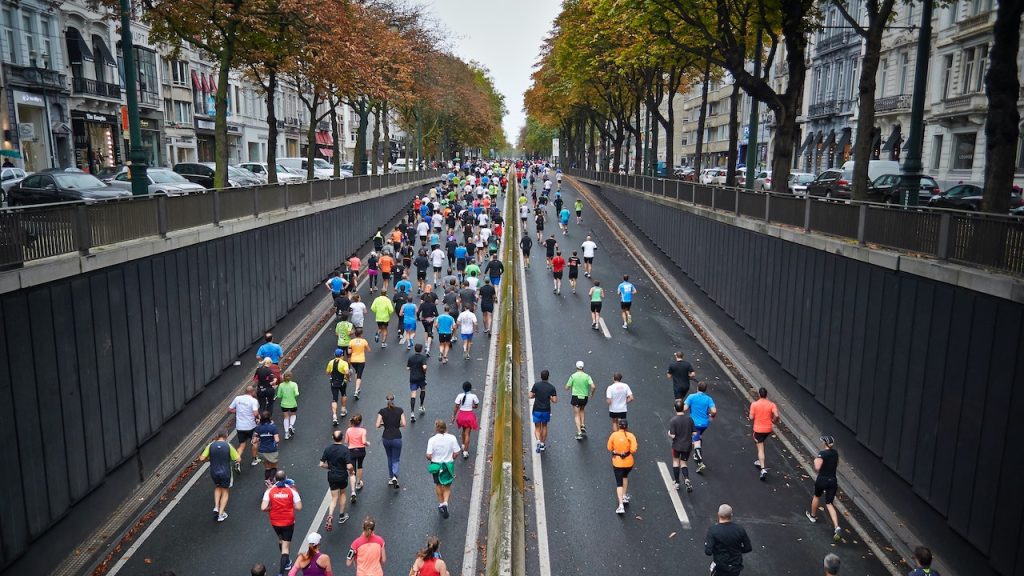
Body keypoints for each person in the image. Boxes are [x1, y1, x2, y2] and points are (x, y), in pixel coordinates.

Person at [262, 470, 303, 576]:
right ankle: (281, 572)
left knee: (280, 540)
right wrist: (290, 504)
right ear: (286, 478)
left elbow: (263, 507)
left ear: (275, 479)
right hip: (288, 521)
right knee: (285, 548)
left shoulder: (270, 491)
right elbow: (299, 507)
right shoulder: (292, 490)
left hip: (275, 521)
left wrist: (271, 508)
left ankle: (287, 561)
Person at [806, 435, 843, 542]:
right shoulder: (835, 453)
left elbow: (817, 467)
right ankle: (837, 527)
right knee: (829, 503)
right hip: (833, 481)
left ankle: (812, 516)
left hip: (822, 480)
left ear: (824, 444)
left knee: (817, 496)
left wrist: (815, 460)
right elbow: (836, 464)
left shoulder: (822, 454)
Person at [199, 429, 239, 522]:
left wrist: (210, 459)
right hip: (226, 472)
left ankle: (216, 507)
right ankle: (221, 514)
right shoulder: (228, 446)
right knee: (225, 491)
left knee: (217, 487)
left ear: (217, 435)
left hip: (214, 472)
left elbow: (201, 458)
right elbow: (238, 459)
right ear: (226, 435)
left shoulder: (211, 445)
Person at [320, 430, 356, 531]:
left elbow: (321, 464)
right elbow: (349, 466)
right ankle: (341, 516)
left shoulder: (328, 449)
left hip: (332, 475)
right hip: (342, 475)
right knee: (343, 493)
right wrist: (352, 472)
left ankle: (330, 515)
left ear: (333, 437)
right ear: (342, 437)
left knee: (334, 498)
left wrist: (330, 467)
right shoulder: (345, 450)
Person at [426, 420, 461, 519]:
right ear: (446, 428)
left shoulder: (432, 440)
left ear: (436, 428)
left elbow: (428, 455)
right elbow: (457, 452)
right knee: (447, 486)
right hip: (448, 465)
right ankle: (445, 502)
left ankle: (441, 504)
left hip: (437, 465)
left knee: (438, 484)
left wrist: (433, 460)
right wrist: (451, 459)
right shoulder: (452, 438)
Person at [704, 504, 752, 576]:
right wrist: (738, 550)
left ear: (718, 514)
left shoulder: (713, 530)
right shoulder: (740, 529)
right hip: (735, 567)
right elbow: (748, 548)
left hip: (720, 566)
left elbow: (708, 552)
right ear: (731, 515)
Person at [684, 381, 717, 473]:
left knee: (696, 441)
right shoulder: (708, 399)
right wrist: (711, 416)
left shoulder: (691, 397)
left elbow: (685, 408)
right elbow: (714, 411)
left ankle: (700, 461)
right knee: (699, 437)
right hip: (704, 424)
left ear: (697, 388)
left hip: (694, 424)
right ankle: (696, 454)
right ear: (705, 390)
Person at [607, 418, 637, 515]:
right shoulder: (630, 436)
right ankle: (624, 496)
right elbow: (633, 449)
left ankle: (621, 506)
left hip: (617, 463)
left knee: (619, 483)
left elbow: (609, 447)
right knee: (625, 476)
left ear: (619, 426)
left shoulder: (614, 435)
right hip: (629, 463)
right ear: (627, 427)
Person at [749, 387, 780, 481]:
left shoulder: (754, 404)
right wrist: (774, 421)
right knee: (761, 443)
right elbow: (777, 415)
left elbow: (751, 417)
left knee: (760, 448)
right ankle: (759, 461)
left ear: (759, 394)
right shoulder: (771, 404)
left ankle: (762, 468)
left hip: (758, 430)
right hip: (768, 429)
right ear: (767, 395)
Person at [376, 393, 406, 488]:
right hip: (397, 437)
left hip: (386, 437)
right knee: (396, 458)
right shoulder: (400, 410)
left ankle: (390, 477)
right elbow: (404, 424)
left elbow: (377, 425)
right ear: (394, 400)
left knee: (389, 457)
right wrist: (397, 425)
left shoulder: (382, 411)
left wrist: (384, 424)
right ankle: (395, 476)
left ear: (386, 401)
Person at [229, 385, 261, 469]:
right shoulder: (253, 400)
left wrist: (238, 411)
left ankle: (237, 461)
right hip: (251, 426)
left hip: (240, 426)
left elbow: (230, 409)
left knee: (242, 445)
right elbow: (255, 413)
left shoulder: (237, 398)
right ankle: (254, 459)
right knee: (255, 442)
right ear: (252, 392)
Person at [668, 399, 695, 493]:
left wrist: (669, 433)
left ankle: (677, 482)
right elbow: (694, 433)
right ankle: (686, 479)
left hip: (677, 446)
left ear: (674, 408)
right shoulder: (689, 419)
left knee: (676, 462)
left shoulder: (673, 420)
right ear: (684, 408)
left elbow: (673, 435)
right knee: (683, 463)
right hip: (687, 446)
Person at [565, 361, 595, 440]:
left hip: (576, 396)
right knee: (582, 409)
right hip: (584, 397)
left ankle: (579, 432)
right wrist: (591, 393)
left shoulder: (573, 376)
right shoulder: (587, 376)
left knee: (576, 414)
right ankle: (582, 424)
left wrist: (569, 387)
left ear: (576, 367)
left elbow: (567, 387)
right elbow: (593, 386)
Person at [529, 370, 558, 453]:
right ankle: (542, 443)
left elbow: (530, 395)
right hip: (546, 410)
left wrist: (535, 395)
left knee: (537, 427)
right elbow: (555, 400)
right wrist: (550, 397)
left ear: (541, 376)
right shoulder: (551, 387)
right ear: (548, 377)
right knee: (544, 426)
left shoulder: (536, 385)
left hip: (536, 409)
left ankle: (538, 440)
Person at [451, 381, 480, 459]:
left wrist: (453, 416)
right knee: (467, 433)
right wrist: (473, 407)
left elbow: (456, 406)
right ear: (470, 388)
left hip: (461, 416)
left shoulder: (460, 396)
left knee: (463, 431)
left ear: (463, 388)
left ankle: (463, 445)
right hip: (469, 416)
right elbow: (476, 405)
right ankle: (465, 452)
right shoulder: (473, 396)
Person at [344, 414, 369, 503]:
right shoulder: (363, 430)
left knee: (352, 472)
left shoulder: (348, 430)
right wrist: (367, 443)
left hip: (351, 451)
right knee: (360, 466)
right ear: (360, 422)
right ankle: (358, 483)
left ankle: (353, 491)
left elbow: (346, 441)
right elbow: (363, 441)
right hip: (361, 451)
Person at [253, 410, 281, 486]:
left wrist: (260, 438)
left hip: (262, 451)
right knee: (274, 466)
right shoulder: (273, 427)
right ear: (269, 418)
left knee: (267, 467)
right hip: (272, 450)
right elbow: (277, 440)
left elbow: (254, 440)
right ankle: (271, 480)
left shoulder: (258, 428)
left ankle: (267, 480)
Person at [327, 349, 350, 425]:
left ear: (335, 355)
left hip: (333, 383)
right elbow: (347, 372)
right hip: (342, 382)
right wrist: (348, 377)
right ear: (342, 355)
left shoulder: (331, 362)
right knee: (343, 394)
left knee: (334, 399)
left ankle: (334, 416)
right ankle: (343, 410)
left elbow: (327, 372)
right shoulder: (344, 363)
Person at [407, 343, 429, 421]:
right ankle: (421, 406)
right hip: (421, 378)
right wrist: (424, 371)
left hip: (413, 378)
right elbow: (424, 367)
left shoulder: (411, 357)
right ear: (421, 349)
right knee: (423, 389)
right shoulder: (423, 358)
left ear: (415, 349)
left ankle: (412, 413)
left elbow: (407, 368)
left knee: (413, 394)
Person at [276, 372, 300, 440]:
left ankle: (286, 433)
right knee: (293, 415)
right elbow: (297, 393)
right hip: (292, 403)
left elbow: (279, 395)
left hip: (284, 404)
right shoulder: (294, 384)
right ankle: (291, 426)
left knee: (286, 417)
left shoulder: (281, 385)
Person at [347, 328, 370, 400]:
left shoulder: (351, 341)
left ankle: (358, 387)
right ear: (361, 334)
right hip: (361, 360)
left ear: (355, 334)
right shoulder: (364, 341)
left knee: (357, 372)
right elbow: (369, 350)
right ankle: (356, 391)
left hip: (353, 360)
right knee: (359, 376)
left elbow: (349, 352)